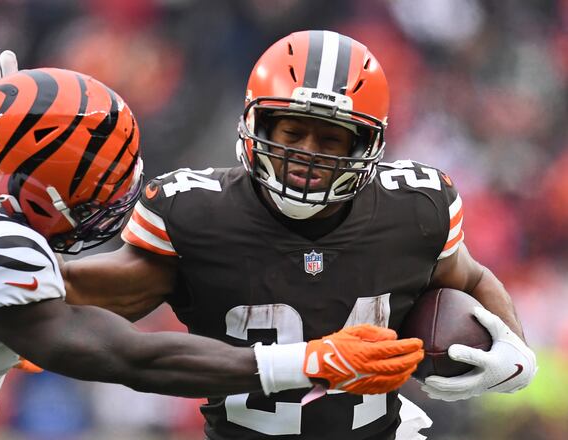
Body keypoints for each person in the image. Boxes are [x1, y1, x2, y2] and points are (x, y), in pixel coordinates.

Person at [0, 50, 424, 440]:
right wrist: (304, 362)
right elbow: (123, 359)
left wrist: (3, 137)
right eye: (98, 197)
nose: (114, 207)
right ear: (35, 200)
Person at [54, 31, 538, 439]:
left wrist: (517, 350)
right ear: (257, 124)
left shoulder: (415, 208)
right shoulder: (195, 212)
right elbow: (87, 292)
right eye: (292, 132)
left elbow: (470, 278)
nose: (308, 155)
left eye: (330, 139)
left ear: (368, 146)